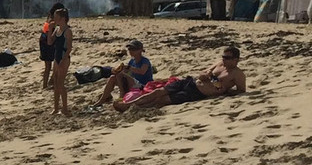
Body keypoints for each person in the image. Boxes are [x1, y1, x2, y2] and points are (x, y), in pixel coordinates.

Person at [116, 46, 246, 112]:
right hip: (191, 81)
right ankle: (127, 105)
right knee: (158, 91)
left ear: (236, 60)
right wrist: (205, 75)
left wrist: (217, 84)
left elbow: (241, 90)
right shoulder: (220, 63)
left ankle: (136, 108)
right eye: (223, 56)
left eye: (227, 58)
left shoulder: (237, 74)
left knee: (162, 100)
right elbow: (206, 71)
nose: (224, 59)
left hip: (198, 92)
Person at [92, 40, 153, 107]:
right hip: (134, 84)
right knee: (113, 77)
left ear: (140, 50)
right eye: (129, 49)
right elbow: (128, 73)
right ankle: (102, 100)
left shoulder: (144, 61)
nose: (130, 51)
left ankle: (122, 93)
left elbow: (142, 71)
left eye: (133, 49)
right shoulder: (132, 61)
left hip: (144, 85)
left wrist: (129, 68)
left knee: (120, 75)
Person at [47, 8, 73, 115]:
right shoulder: (57, 29)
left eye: (56, 17)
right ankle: (56, 108)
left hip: (63, 58)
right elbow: (49, 42)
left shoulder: (68, 31)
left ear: (62, 18)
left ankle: (65, 108)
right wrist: (50, 30)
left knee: (61, 83)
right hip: (56, 57)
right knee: (56, 83)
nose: (54, 19)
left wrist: (63, 60)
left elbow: (69, 48)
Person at [39, 2, 65, 90]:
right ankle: (49, 83)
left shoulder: (50, 18)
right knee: (53, 64)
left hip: (43, 40)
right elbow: (51, 35)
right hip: (47, 42)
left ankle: (46, 84)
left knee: (48, 66)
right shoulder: (53, 21)